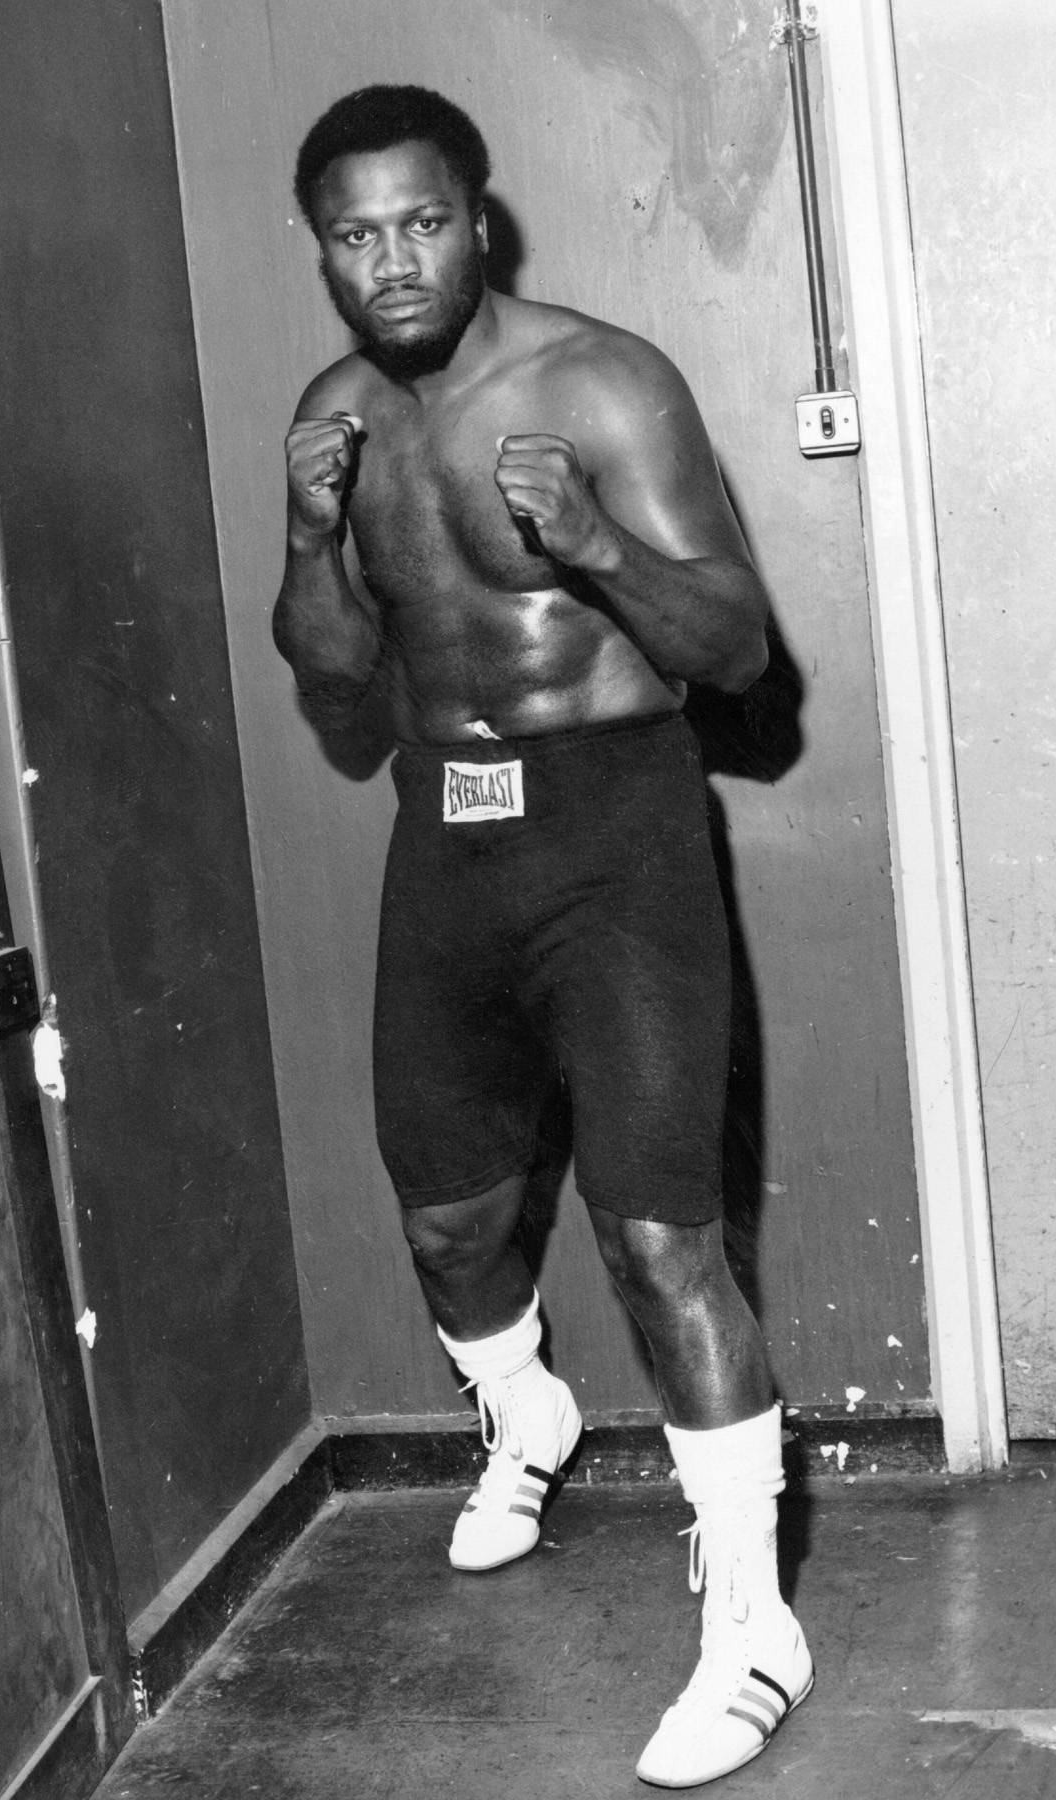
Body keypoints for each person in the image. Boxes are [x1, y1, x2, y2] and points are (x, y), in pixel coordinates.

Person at [274, 84, 811, 1788]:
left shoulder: (603, 379)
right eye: (355, 237)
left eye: (420, 221)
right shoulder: (340, 416)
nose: (392, 261)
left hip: (616, 831)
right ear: (327, 256)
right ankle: (530, 1420)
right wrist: (308, 535)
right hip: (445, 830)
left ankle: (754, 1629)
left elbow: (734, 651)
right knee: (447, 1215)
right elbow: (337, 683)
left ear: (478, 219)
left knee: (664, 1240)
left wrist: (587, 542)